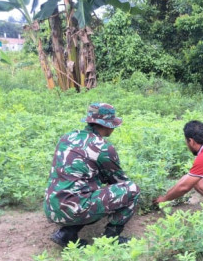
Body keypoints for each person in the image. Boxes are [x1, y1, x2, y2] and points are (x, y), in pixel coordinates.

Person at [44, 103, 140, 247]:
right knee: (132, 189)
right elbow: (119, 181)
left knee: (87, 188)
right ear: (107, 125)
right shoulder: (103, 147)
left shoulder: (67, 137)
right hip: (74, 209)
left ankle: (66, 234)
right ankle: (110, 239)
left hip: (52, 206)